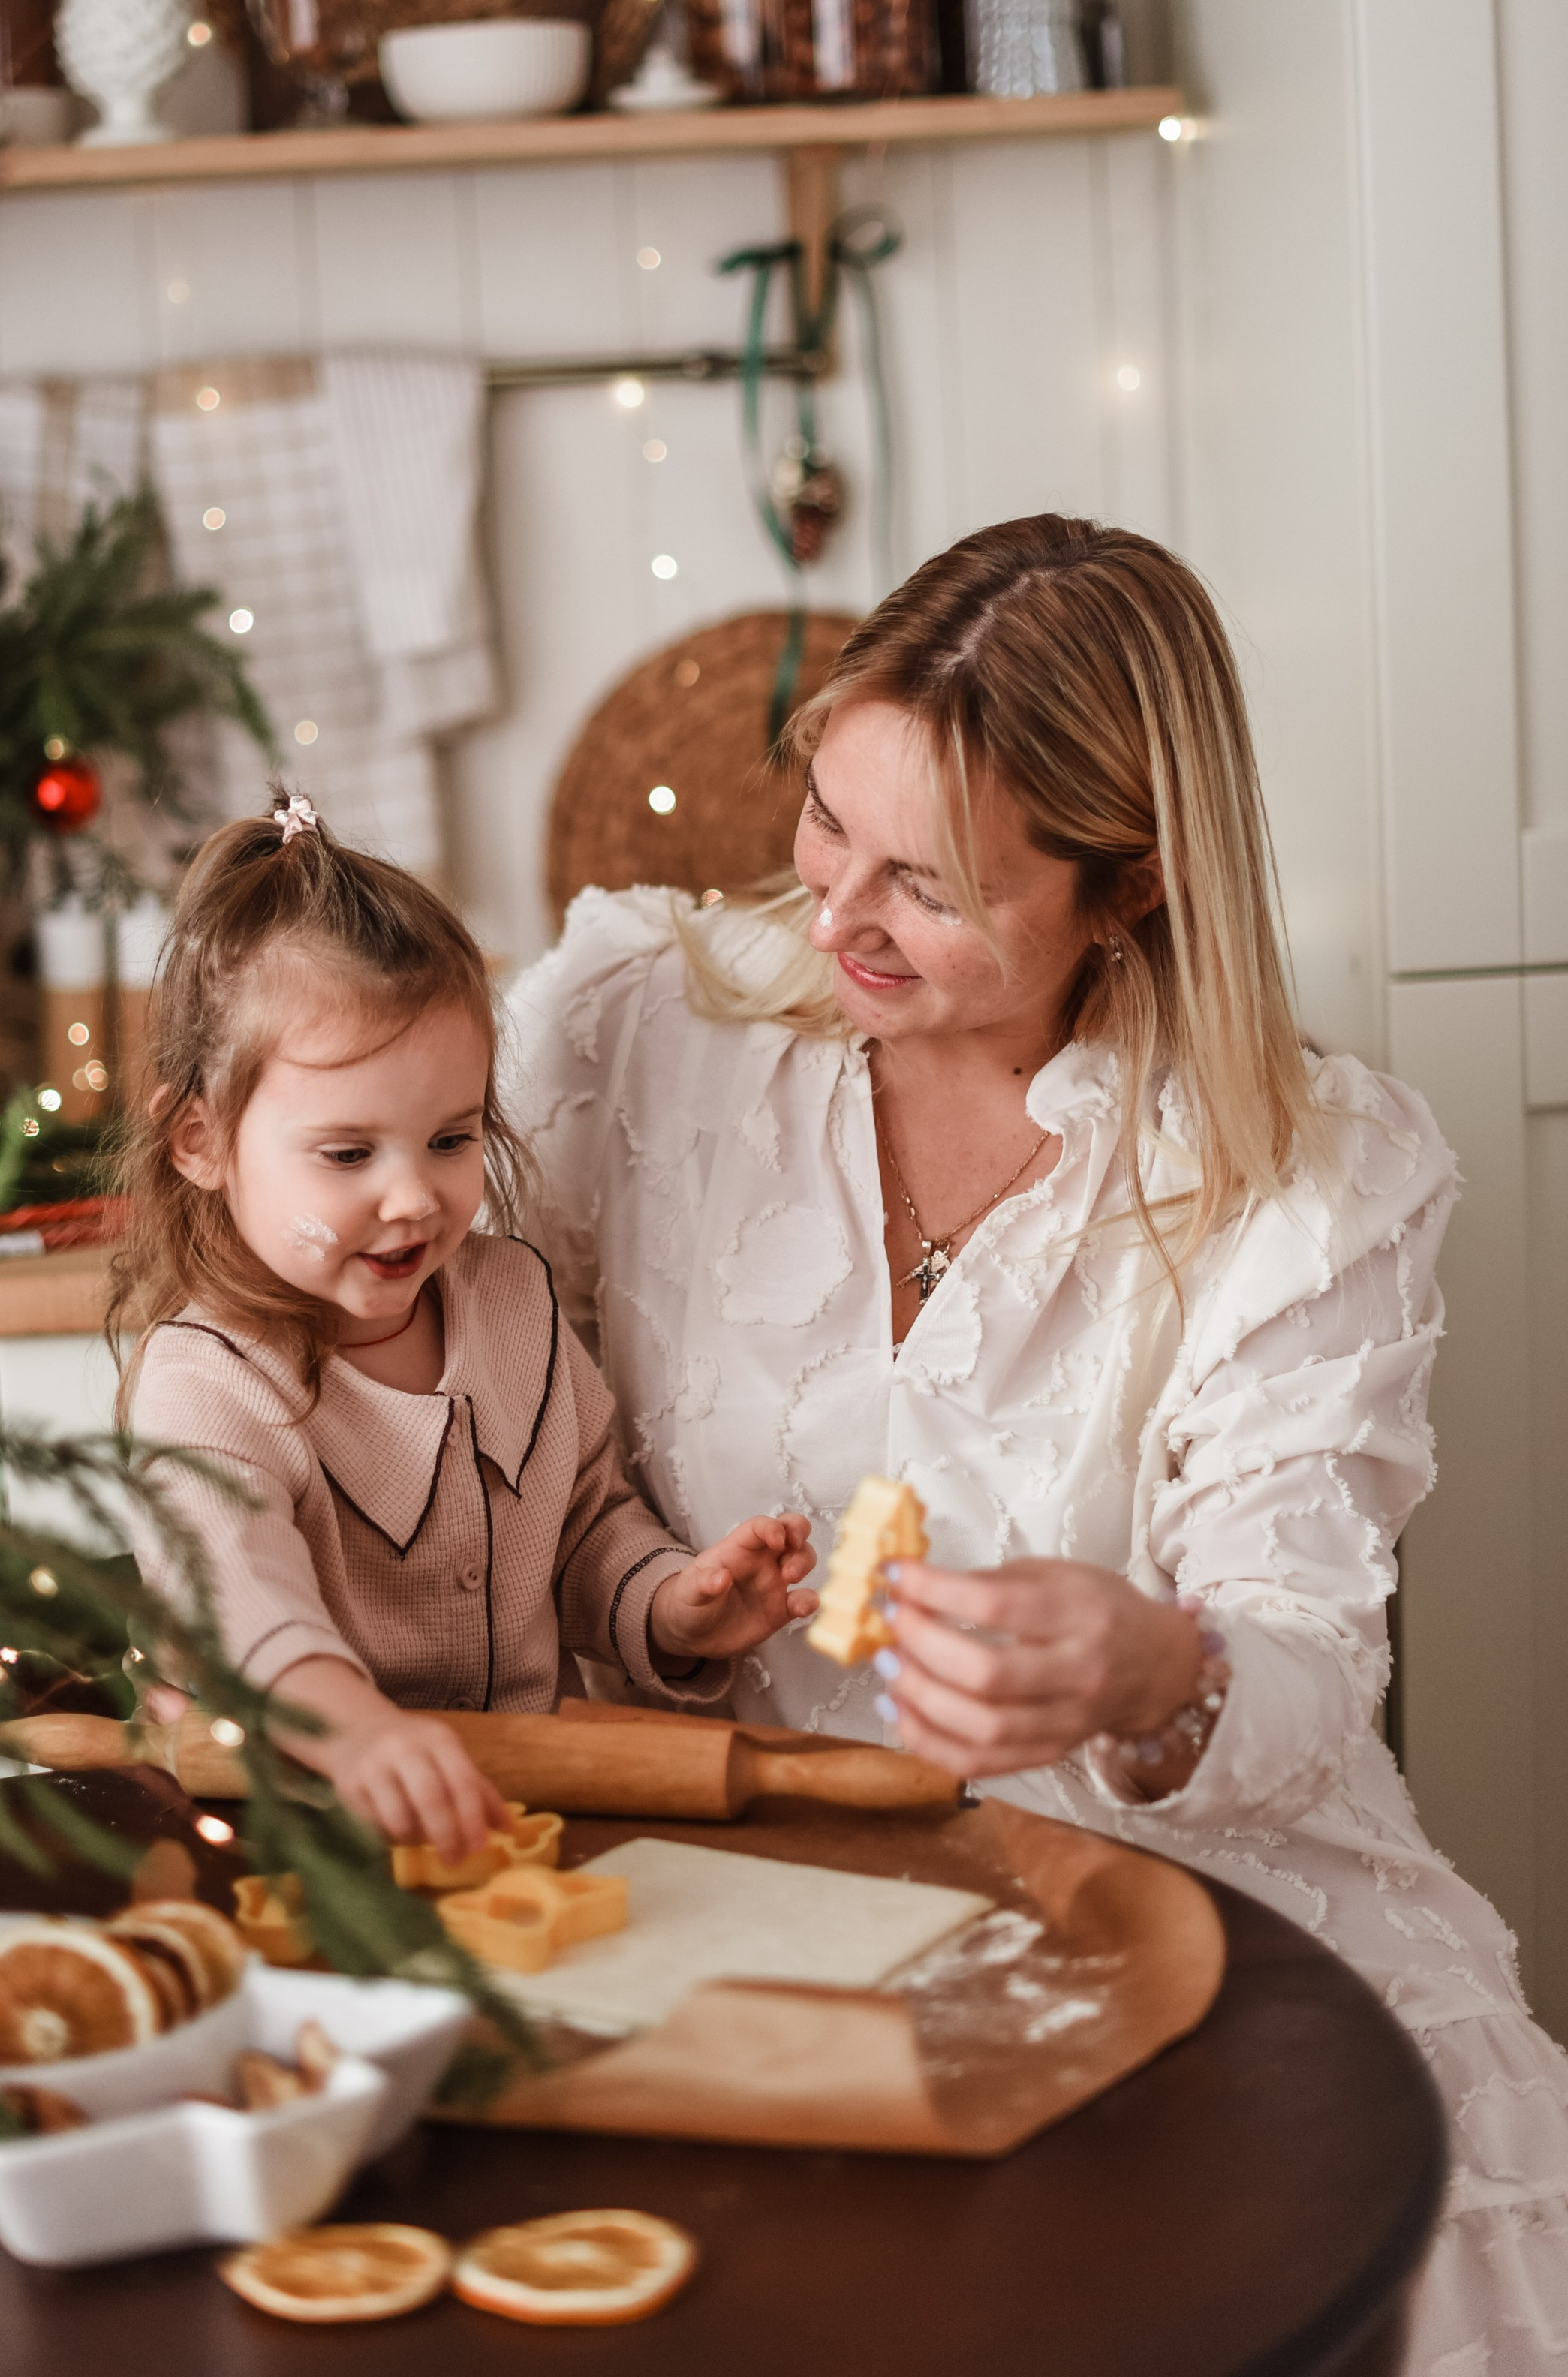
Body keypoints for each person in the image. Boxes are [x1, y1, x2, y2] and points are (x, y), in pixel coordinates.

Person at [510, 515, 1568, 2374]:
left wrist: (1161, 1667)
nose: (830, 913)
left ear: (1127, 880)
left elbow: (1306, 1662)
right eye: (825, 819)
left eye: (926, 882)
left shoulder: (1313, 1168)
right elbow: (476, 1419)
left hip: (1202, 1899)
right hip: (739, 1889)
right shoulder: (633, 1030)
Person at [112, 790, 817, 1864]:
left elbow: (582, 1530)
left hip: (523, 1829)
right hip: (304, 1849)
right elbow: (235, 1591)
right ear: (201, 1140)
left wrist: (672, 1606)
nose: (415, 1198)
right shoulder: (204, 1384)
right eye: (348, 1156)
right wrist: (356, 1734)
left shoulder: (513, 1305)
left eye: (450, 1139)